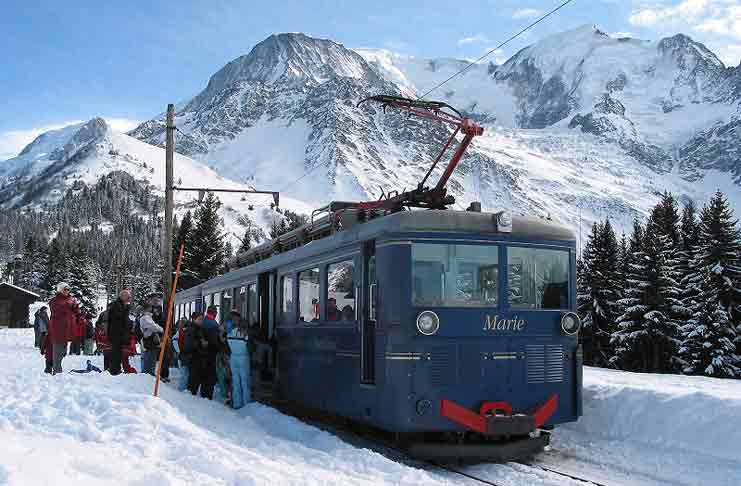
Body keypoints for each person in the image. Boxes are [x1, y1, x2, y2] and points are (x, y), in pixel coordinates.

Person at [184, 311, 219, 399]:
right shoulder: (192, 329)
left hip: (199, 358)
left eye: (202, 319)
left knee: (198, 379)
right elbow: (189, 344)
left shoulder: (199, 328)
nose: (201, 321)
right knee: (194, 380)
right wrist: (201, 343)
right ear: (194, 319)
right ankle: (190, 398)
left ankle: (195, 397)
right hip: (194, 358)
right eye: (199, 319)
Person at [48, 282, 80, 374]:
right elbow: (57, 311)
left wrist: (76, 307)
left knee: (63, 351)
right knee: (58, 350)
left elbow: (76, 312)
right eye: (65, 289)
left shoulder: (71, 299)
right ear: (60, 290)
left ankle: (57, 368)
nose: (67, 291)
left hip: (68, 329)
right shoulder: (54, 300)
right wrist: (69, 306)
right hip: (58, 329)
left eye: (68, 289)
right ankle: (57, 370)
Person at [228, 314, 252, 408]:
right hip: (243, 358)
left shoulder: (230, 333)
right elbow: (250, 347)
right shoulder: (245, 334)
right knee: (245, 381)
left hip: (233, 358)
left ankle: (237, 403)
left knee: (235, 381)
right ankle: (247, 404)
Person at [107, 289, 132, 376]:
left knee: (119, 353)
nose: (129, 299)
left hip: (121, 334)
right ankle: (114, 370)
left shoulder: (123, 306)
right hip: (116, 334)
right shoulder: (116, 305)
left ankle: (116, 369)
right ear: (122, 297)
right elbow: (119, 319)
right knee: (115, 353)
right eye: (128, 297)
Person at [140, 305, 164, 376]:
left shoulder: (148, 317)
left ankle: (149, 373)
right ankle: (148, 374)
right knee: (150, 358)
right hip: (149, 340)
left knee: (151, 358)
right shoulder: (146, 318)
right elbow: (154, 326)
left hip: (150, 340)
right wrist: (161, 329)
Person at [176, 316, 192, 391]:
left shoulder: (181, 332)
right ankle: (182, 389)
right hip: (183, 355)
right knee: (184, 373)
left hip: (183, 355)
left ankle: (183, 388)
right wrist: (179, 351)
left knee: (184, 373)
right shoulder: (180, 333)